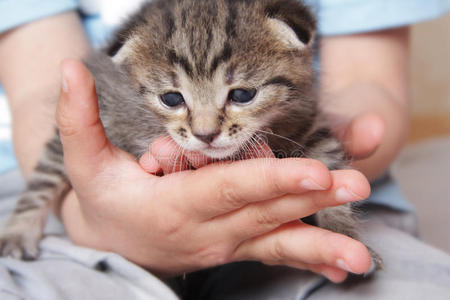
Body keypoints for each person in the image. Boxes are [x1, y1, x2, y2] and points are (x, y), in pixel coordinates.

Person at [0, 1, 450, 299]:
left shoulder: (288, 85)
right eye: (174, 101)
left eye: (240, 96)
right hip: (89, 212)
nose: (205, 129)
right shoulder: (128, 90)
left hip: (290, 220)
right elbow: (50, 110)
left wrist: (333, 217)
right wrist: (79, 214)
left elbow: (357, 94)